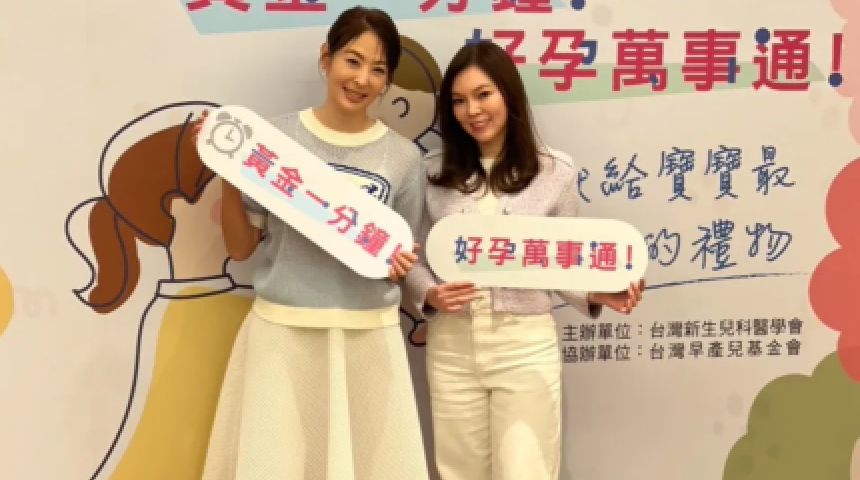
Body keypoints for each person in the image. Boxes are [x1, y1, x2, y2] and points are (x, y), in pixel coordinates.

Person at [192, 7, 430, 480]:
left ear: (387, 81)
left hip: (368, 336)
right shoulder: (274, 141)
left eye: (377, 69)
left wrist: (401, 266)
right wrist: (229, 171)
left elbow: (402, 255)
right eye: (352, 60)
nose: (361, 79)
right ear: (327, 57)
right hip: (283, 332)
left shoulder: (404, 158)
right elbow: (241, 249)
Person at [403, 41, 646, 480]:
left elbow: (562, 261)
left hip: (524, 346)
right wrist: (431, 294)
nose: (472, 111)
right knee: (460, 472)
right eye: (458, 101)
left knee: (526, 470)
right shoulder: (431, 171)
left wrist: (597, 293)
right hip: (452, 348)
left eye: (483, 95)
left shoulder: (555, 171)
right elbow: (414, 257)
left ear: (508, 95)